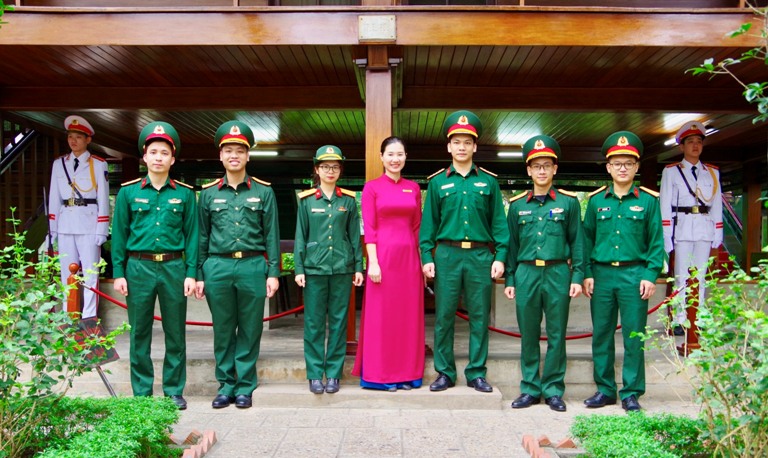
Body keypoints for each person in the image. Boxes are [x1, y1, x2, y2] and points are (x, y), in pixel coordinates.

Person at [419, 110, 508, 393]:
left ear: (474, 146)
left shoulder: (489, 182)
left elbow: (499, 224)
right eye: (456, 142)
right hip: (446, 255)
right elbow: (428, 226)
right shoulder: (437, 182)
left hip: (480, 256)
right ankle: (444, 372)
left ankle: (476, 373)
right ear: (448, 146)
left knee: (479, 316)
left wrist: (501, 257)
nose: (461, 147)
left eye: (466, 142)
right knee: (444, 316)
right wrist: (426, 257)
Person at [111, 121, 198, 410]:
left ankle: (174, 390)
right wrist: (119, 273)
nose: (158, 157)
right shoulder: (128, 192)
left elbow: (193, 236)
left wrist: (191, 273)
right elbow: (120, 235)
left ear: (172, 159)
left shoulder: (185, 194)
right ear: (144, 157)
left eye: (164, 153)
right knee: (139, 333)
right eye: (153, 152)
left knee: (176, 332)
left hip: (173, 268)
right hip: (139, 268)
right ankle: (142, 393)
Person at [195, 121, 280, 409]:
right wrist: (199, 273)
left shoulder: (264, 192)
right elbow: (201, 237)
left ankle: (244, 385)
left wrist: (274, 273)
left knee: (250, 327)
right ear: (221, 156)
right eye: (228, 150)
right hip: (217, 267)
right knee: (223, 328)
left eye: (239, 151)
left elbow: (271, 235)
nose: (234, 155)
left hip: (253, 266)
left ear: (247, 156)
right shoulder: (207, 194)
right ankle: (225, 385)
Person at [582, 131, 664, 412]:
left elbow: (656, 243)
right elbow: (586, 240)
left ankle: (631, 392)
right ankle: (605, 390)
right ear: (608, 167)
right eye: (617, 163)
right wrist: (587, 273)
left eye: (628, 163)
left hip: (634, 276)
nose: (622, 168)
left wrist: (650, 275)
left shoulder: (649, 201)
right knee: (601, 334)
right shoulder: (595, 202)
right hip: (602, 276)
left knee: (633, 336)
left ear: (637, 166)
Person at [505, 135, 584, 412]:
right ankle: (529, 388)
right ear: (528, 170)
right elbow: (511, 246)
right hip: (526, 273)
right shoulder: (517, 206)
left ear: (555, 169)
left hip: (558, 273)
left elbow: (578, 243)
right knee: (528, 333)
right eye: (536, 165)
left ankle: (552, 389)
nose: (541, 170)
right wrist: (510, 279)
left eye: (546, 165)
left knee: (556, 334)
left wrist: (576, 277)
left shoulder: (569, 203)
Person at [351, 136, 424, 391]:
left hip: (409, 261)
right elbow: (369, 228)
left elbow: (417, 228)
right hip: (382, 260)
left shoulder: (413, 188)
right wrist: (373, 262)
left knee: (407, 318)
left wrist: (422, 262)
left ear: (406, 158)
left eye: (400, 154)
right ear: (381, 157)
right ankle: (380, 376)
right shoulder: (371, 188)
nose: (395, 159)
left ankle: (406, 374)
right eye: (390, 154)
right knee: (382, 319)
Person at [294, 145, 364, 394]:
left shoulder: (348, 200)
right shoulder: (305, 201)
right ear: (317, 169)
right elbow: (300, 236)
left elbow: (354, 236)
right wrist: (298, 268)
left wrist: (358, 266)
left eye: (334, 167)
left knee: (338, 322)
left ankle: (333, 373)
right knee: (313, 323)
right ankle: (314, 373)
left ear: (340, 170)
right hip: (314, 269)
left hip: (342, 269)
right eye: (325, 167)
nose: (330, 171)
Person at [660, 121, 722, 327]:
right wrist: (666, 234)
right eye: (690, 142)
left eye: (698, 142)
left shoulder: (712, 172)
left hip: (704, 228)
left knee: (701, 276)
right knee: (681, 276)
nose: (695, 146)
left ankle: (699, 318)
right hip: (682, 228)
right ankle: (680, 319)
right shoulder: (671, 171)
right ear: (681, 146)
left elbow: (716, 204)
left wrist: (718, 231)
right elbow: (665, 205)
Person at [48, 115, 109, 319]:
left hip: (89, 224)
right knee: (67, 274)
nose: (73, 141)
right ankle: (69, 316)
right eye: (70, 137)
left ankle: (89, 318)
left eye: (78, 137)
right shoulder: (59, 164)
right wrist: (52, 229)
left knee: (91, 275)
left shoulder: (98, 164)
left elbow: (102, 199)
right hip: (65, 223)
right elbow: (54, 198)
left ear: (88, 139)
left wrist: (102, 229)